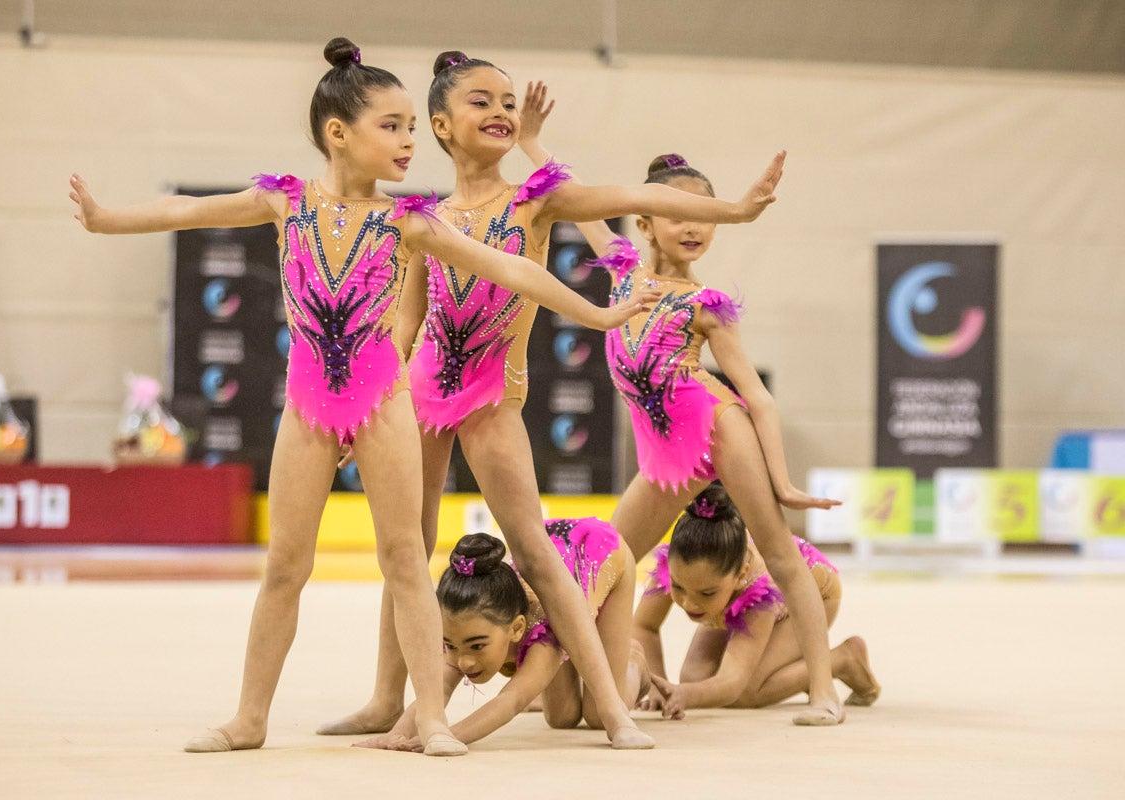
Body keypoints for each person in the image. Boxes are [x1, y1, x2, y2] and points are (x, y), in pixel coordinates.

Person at [69, 38, 651, 756]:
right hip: (309, 409)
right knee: (287, 563)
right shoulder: (283, 202)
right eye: (393, 126)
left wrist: (593, 314)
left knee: (405, 556)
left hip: (386, 405)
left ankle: (430, 717)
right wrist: (104, 220)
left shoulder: (409, 222)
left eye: (413, 126)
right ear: (337, 133)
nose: (410, 142)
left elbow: (513, 269)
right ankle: (249, 717)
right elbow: (189, 210)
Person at [324, 51, 787, 745]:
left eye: (509, 101)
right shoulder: (423, 217)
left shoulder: (534, 200)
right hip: (420, 387)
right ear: (442, 126)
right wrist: (361, 406)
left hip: (491, 394)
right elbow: (404, 322)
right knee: (405, 548)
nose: (503, 112)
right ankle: (390, 698)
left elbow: (640, 197)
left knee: (535, 549)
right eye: (482, 102)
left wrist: (737, 211)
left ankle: (614, 709)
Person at [516, 82, 848, 724]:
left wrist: (783, 482)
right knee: (602, 559)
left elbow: (757, 397)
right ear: (642, 221)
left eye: (705, 215)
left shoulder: (706, 307)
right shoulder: (619, 270)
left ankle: (826, 691)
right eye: (676, 213)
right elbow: (570, 190)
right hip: (666, 458)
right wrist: (529, 140)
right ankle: (564, 681)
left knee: (778, 549)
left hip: (718, 427)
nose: (694, 226)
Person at [357, 523, 650, 751]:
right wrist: (396, 735)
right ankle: (580, 657)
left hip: (602, 551)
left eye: (477, 645)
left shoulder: (544, 637)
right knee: (562, 718)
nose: (464, 660)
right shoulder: (470, 625)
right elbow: (436, 691)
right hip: (558, 558)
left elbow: (510, 700)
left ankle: (633, 660)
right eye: (450, 645)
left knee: (598, 716)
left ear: (517, 628)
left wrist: (446, 736)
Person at [632, 484, 879, 719]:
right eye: (678, 588)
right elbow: (644, 626)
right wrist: (656, 685)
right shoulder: (683, 566)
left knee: (747, 692)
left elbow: (733, 682)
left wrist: (685, 696)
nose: (689, 603)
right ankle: (790, 670)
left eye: (706, 593)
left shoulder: (758, 592)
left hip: (812, 593)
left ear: (740, 576)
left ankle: (845, 659)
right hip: (731, 593)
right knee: (695, 678)